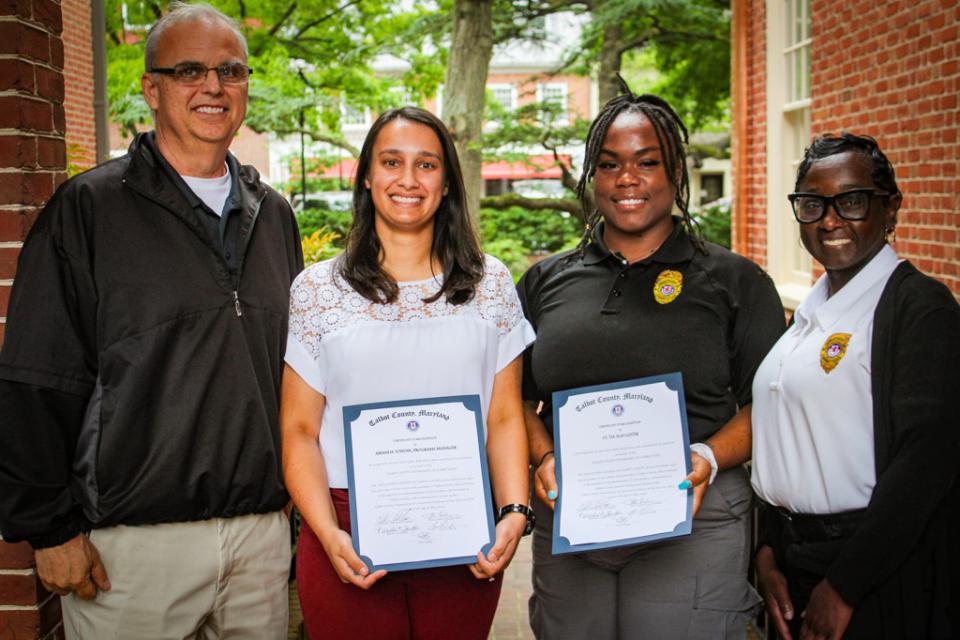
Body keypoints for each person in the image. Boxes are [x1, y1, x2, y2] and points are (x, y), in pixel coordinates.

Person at [0, 3, 303, 638]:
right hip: (130, 551)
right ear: (151, 87)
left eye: (231, 70)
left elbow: (295, 371)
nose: (213, 86)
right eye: (189, 70)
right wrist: (48, 528)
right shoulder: (88, 210)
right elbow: (37, 376)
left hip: (260, 539)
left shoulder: (273, 215)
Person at [517, 89, 786, 639]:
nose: (627, 179)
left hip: (694, 513)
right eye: (609, 164)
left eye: (647, 163)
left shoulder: (735, 281)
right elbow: (515, 400)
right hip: (573, 515)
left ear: (676, 172)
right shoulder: (546, 281)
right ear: (591, 176)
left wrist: (709, 456)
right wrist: (543, 456)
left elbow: (770, 407)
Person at [281, 106, 535, 640]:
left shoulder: (491, 284)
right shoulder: (317, 290)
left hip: (463, 531)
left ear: (447, 182)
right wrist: (326, 533)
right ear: (367, 176)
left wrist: (514, 510)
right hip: (346, 530)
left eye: (427, 164)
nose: (408, 180)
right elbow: (299, 429)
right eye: (392, 162)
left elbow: (505, 416)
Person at [751, 133, 960, 640]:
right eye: (812, 204)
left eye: (851, 202)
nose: (829, 220)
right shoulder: (810, 313)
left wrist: (844, 588)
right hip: (795, 564)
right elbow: (793, 440)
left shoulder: (920, 310)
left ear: (890, 209)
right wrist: (768, 553)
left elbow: (925, 465)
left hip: (873, 574)